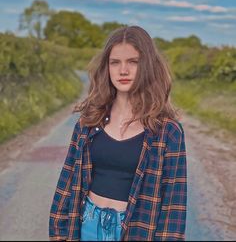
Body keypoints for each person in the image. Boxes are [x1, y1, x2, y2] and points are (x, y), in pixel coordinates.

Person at [49, 25, 187, 241]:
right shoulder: (89, 121)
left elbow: (173, 205)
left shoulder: (167, 132)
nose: (123, 70)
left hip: (136, 231)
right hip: (87, 226)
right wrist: (58, 232)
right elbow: (67, 179)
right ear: (107, 67)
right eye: (115, 62)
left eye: (133, 62)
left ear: (148, 66)